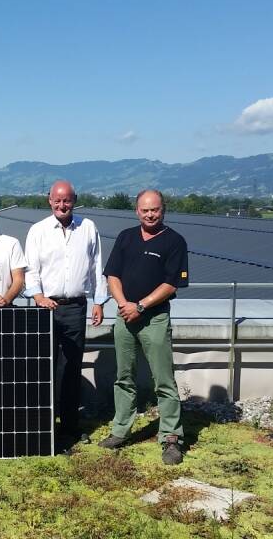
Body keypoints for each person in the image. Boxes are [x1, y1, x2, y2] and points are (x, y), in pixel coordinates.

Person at [98, 189, 189, 465]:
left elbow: (172, 283)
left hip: (155, 319)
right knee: (123, 377)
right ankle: (120, 430)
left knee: (163, 379)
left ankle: (171, 438)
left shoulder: (174, 241)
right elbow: (112, 275)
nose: (150, 214)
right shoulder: (126, 237)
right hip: (125, 317)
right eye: (145, 210)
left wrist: (141, 305)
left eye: (155, 210)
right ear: (137, 211)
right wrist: (125, 304)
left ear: (163, 210)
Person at [24, 180, 107, 452]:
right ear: (49, 200)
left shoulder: (88, 228)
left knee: (71, 367)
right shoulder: (38, 231)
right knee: (44, 367)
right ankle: (46, 426)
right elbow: (31, 270)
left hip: (75, 307)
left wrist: (98, 301)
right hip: (45, 307)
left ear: (74, 201)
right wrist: (37, 296)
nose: (62, 205)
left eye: (67, 200)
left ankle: (70, 427)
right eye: (57, 200)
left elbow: (97, 266)